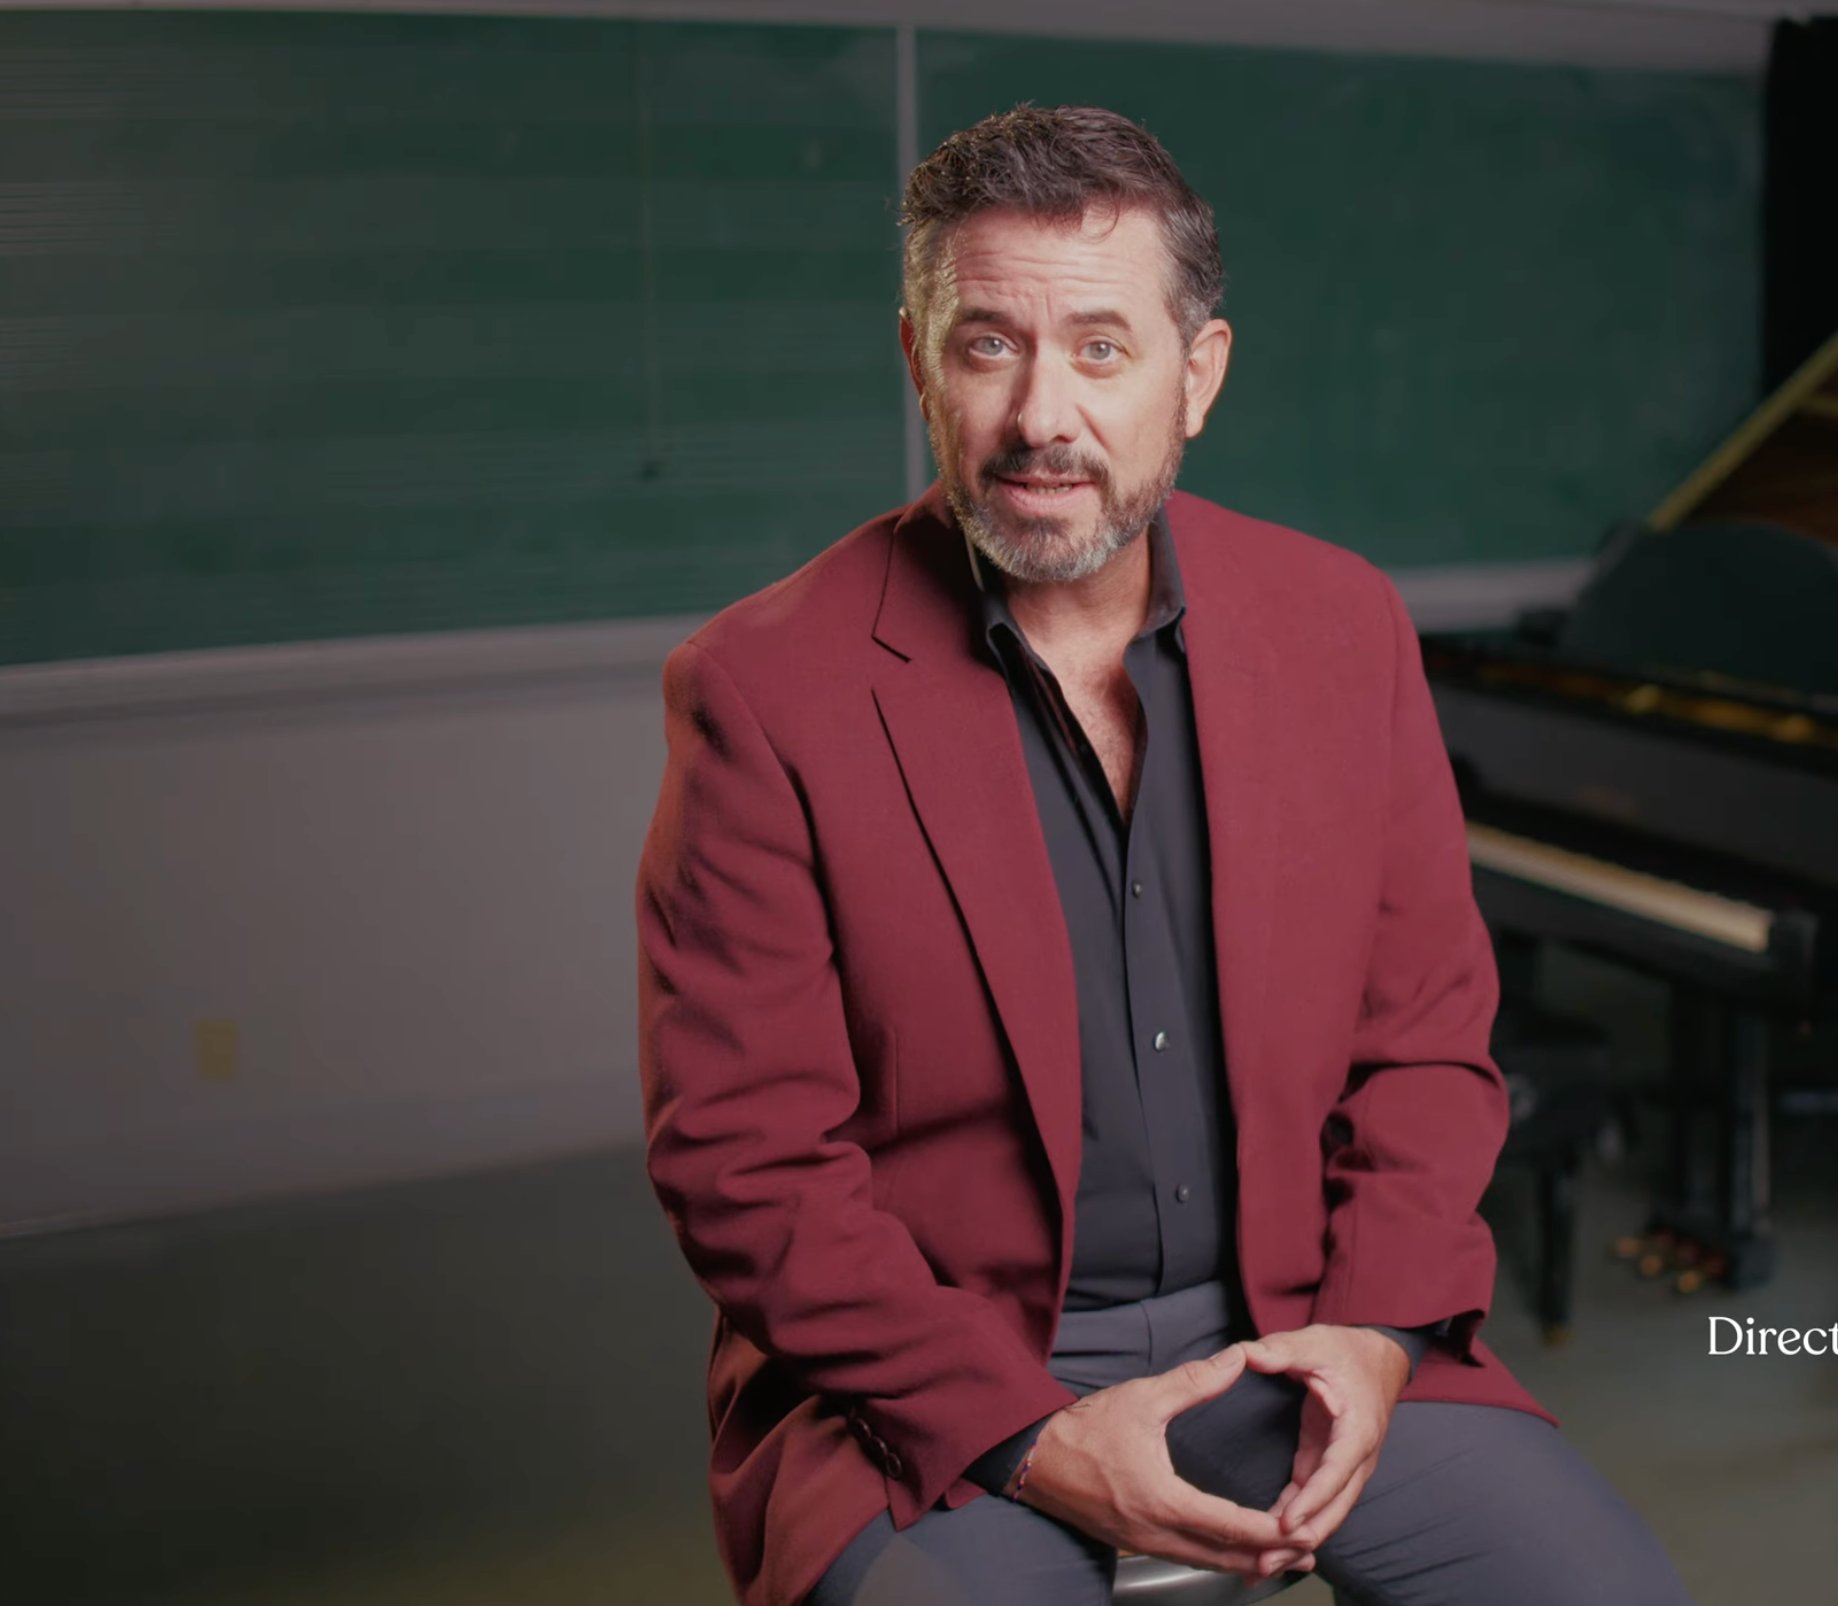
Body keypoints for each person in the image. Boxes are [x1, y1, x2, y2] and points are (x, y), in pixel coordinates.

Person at [635, 104, 1692, 1606]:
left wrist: (1381, 1332)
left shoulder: (1343, 627)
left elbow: (1427, 1047)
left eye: (1102, 349)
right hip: (941, 1382)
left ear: (1197, 377)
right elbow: (745, 1161)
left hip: (1308, 1328)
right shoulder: (764, 687)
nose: (1039, 415)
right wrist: (1026, 1429)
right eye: (987, 344)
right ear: (919, 362)